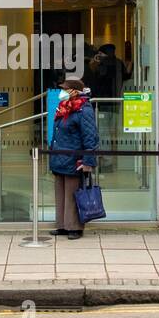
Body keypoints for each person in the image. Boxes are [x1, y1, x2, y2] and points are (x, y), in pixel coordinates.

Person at [49, 78, 100, 240]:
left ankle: (75, 227)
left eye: (65, 89)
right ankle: (63, 225)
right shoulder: (63, 108)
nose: (62, 92)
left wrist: (87, 162)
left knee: (73, 195)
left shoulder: (83, 109)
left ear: (74, 92)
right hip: (59, 158)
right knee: (61, 194)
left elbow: (90, 137)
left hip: (73, 159)